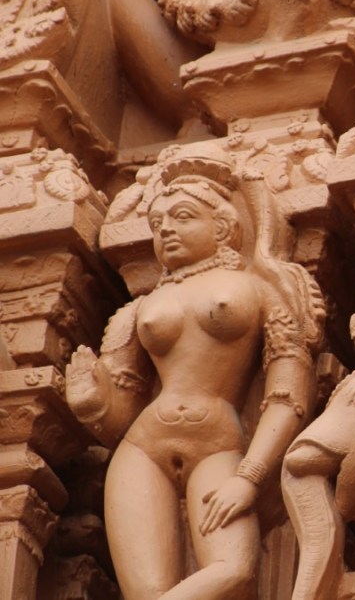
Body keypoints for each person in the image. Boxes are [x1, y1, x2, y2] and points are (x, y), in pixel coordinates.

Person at [65, 143, 323, 600]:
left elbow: (288, 396)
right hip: (143, 447)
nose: (167, 230)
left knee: (235, 569)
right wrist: (93, 402)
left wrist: (250, 476)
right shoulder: (137, 310)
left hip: (219, 444)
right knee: (145, 590)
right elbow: (122, 412)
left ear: (225, 226)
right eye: (158, 224)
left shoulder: (264, 290)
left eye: (183, 216)